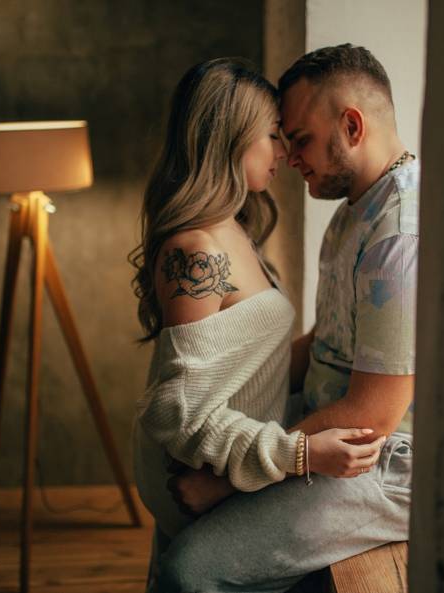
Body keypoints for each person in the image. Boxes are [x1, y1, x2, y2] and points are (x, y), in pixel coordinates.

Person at [155, 44, 419, 593]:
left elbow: (373, 415)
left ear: (352, 126)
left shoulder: (399, 237)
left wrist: (230, 482)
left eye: (299, 138)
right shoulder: (354, 211)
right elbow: (327, 343)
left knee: (189, 571)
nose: (289, 156)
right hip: (327, 425)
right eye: (279, 137)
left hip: (380, 459)